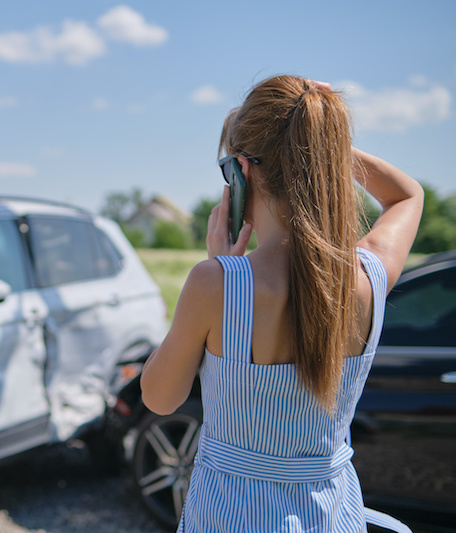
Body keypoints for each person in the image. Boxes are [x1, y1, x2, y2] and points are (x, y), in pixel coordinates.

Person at [140, 75, 424, 532]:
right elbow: (408, 195)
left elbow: (159, 397)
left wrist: (217, 269)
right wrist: (321, 142)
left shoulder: (215, 284)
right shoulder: (369, 276)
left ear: (240, 171)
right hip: (332, 516)